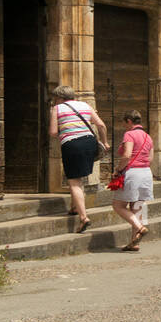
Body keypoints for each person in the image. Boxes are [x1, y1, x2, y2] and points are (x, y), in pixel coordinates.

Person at [49, 85, 109, 233]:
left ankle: (83, 218)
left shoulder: (57, 109)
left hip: (72, 144)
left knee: (74, 181)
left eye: (56, 99)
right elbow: (101, 124)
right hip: (89, 142)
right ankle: (74, 207)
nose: (55, 102)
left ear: (60, 98)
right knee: (79, 177)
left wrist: (65, 131)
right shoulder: (85, 105)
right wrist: (105, 141)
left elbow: (53, 132)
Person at [112, 110, 154, 251]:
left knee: (118, 206)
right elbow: (150, 159)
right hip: (146, 173)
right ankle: (134, 242)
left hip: (133, 173)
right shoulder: (148, 137)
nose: (124, 126)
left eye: (124, 123)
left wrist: (118, 170)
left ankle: (140, 228)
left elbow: (127, 155)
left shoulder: (129, 134)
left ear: (129, 121)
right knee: (137, 207)